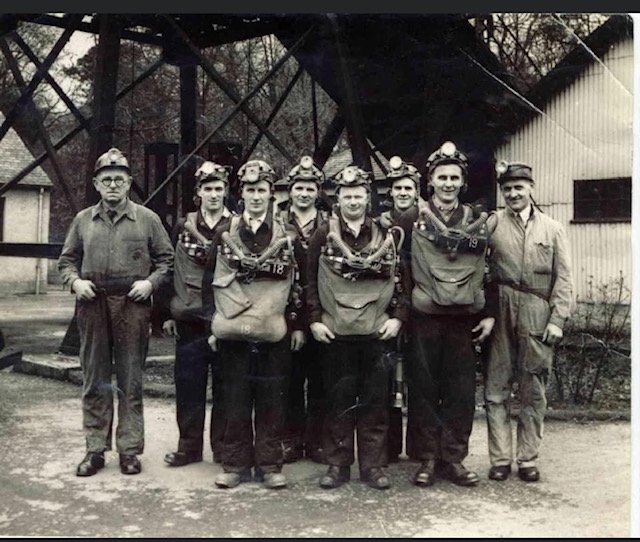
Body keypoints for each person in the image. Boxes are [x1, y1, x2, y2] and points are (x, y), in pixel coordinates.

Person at [58, 147, 174, 477]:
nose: (112, 185)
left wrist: (150, 284)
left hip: (132, 305)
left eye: (119, 179)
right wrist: (75, 282)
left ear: (129, 183)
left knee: (130, 379)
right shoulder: (83, 220)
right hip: (92, 304)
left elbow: (167, 260)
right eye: (106, 179)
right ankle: (95, 450)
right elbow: (66, 260)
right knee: (94, 378)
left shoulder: (148, 219)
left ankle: (129, 451)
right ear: (96, 184)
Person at [202, 159, 306, 490]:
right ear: (241, 193)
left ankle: (270, 465)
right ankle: (234, 465)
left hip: (273, 332)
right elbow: (208, 283)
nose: (256, 196)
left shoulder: (287, 235)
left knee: (272, 400)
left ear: (272, 194)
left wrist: (297, 324)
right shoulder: (225, 233)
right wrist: (212, 326)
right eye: (250, 190)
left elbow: (299, 283)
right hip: (234, 332)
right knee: (234, 398)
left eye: (262, 190)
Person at [396, 141, 495, 488]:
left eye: (455, 177)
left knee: (460, 390)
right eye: (442, 177)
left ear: (462, 182)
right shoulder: (412, 219)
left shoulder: (475, 220)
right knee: (423, 388)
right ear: (431, 181)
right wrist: (404, 314)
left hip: (463, 319)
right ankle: (425, 458)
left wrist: (489, 314)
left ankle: (453, 458)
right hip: (424, 319)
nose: (449, 183)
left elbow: (490, 269)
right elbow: (402, 270)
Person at [307, 165, 407, 490]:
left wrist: (398, 318)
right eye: (347, 195)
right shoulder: (323, 234)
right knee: (338, 400)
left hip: (377, 333)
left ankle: (374, 466)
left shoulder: (384, 234)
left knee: (375, 402)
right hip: (336, 332)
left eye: (359, 195)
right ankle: (338, 465)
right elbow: (308, 280)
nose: (353, 201)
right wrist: (314, 320)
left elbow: (403, 278)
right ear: (338, 198)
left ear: (368, 198)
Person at [484, 161, 573, 483]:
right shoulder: (493, 224)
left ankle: (527, 458)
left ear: (531, 189)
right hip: (501, 304)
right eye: (507, 189)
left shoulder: (552, 229)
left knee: (533, 389)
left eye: (518, 188)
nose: (512, 194)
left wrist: (557, 319)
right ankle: (500, 459)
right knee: (496, 388)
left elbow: (564, 279)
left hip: (537, 311)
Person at [161, 161, 234, 468]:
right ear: (198, 193)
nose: (214, 195)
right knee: (189, 386)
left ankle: (222, 447)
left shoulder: (237, 225)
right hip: (190, 319)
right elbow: (170, 269)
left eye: (219, 189)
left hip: (225, 318)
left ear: (226, 192)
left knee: (226, 386)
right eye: (208, 189)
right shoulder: (182, 226)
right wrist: (167, 314)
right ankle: (188, 447)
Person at [280, 156, 328, 464]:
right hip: (288, 313)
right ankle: (290, 441)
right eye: (299, 187)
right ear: (290, 191)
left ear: (318, 191)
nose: (304, 193)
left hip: (323, 311)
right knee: (290, 381)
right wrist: (293, 321)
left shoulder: (329, 223)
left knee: (321, 380)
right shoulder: (277, 222)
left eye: (310, 188)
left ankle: (318, 441)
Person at [379, 156, 420, 464]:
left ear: (416, 191)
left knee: (418, 376)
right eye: (397, 188)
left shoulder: (426, 220)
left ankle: (418, 445)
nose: (403, 192)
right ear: (390, 192)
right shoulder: (381, 224)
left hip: (420, 304)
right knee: (388, 376)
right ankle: (389, 447)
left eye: (408, 187)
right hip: (389, 302)